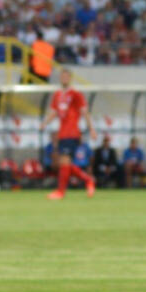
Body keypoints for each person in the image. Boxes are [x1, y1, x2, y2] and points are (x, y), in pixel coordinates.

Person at [39, 68, 97, 200]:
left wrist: (92, 129)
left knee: (64, 161)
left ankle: (60, 192)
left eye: (66, 76)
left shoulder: (76, 94)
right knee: (65, 164)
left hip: (72, 133)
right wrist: (44, 123)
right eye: (62, 76)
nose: (64, 78)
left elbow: (84, 112)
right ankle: (88, 180)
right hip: (62, 134)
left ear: (70, 78)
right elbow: (54, 112)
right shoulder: (57, 95)